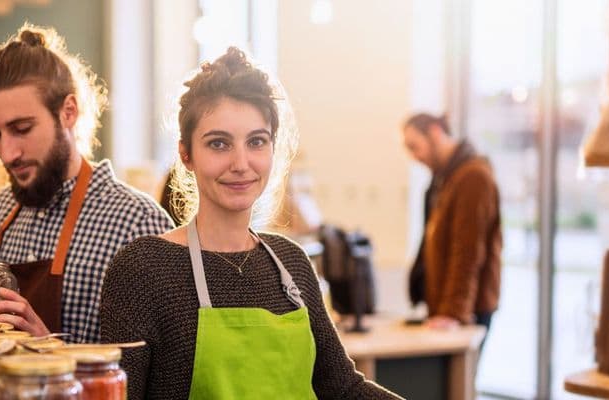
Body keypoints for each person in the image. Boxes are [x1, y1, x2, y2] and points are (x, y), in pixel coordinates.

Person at [100, 47, 399, 399]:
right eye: (219, 144)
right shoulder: (143, 268)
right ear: (186, 154)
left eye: (257, 141)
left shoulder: (292, 263)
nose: (241, 163)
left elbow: (343, 389)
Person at [0, 24, 174, 344]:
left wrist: (49, 350)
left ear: (68, 112)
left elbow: (157, 371)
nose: (8, 153)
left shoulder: (138, 225)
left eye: (22, 128)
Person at [403, 113, 502, 336]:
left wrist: (453, 313)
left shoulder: (473, 177)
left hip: (466, 312)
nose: (414, 157)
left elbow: (468, 252)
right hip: (449, 307)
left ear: (435, 133)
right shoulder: (447, 178)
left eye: (414, 146)